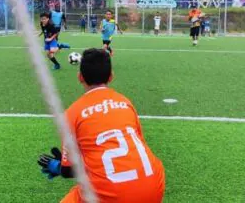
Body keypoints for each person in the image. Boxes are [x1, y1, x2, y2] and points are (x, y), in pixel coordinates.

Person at [37, 48, 165, 203]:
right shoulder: (125, 102)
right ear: (111, 77)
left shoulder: (72, 113)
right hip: (155, 186)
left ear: (80, 77)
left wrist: (57, 166)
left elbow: (68, 170)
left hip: (110, 195)